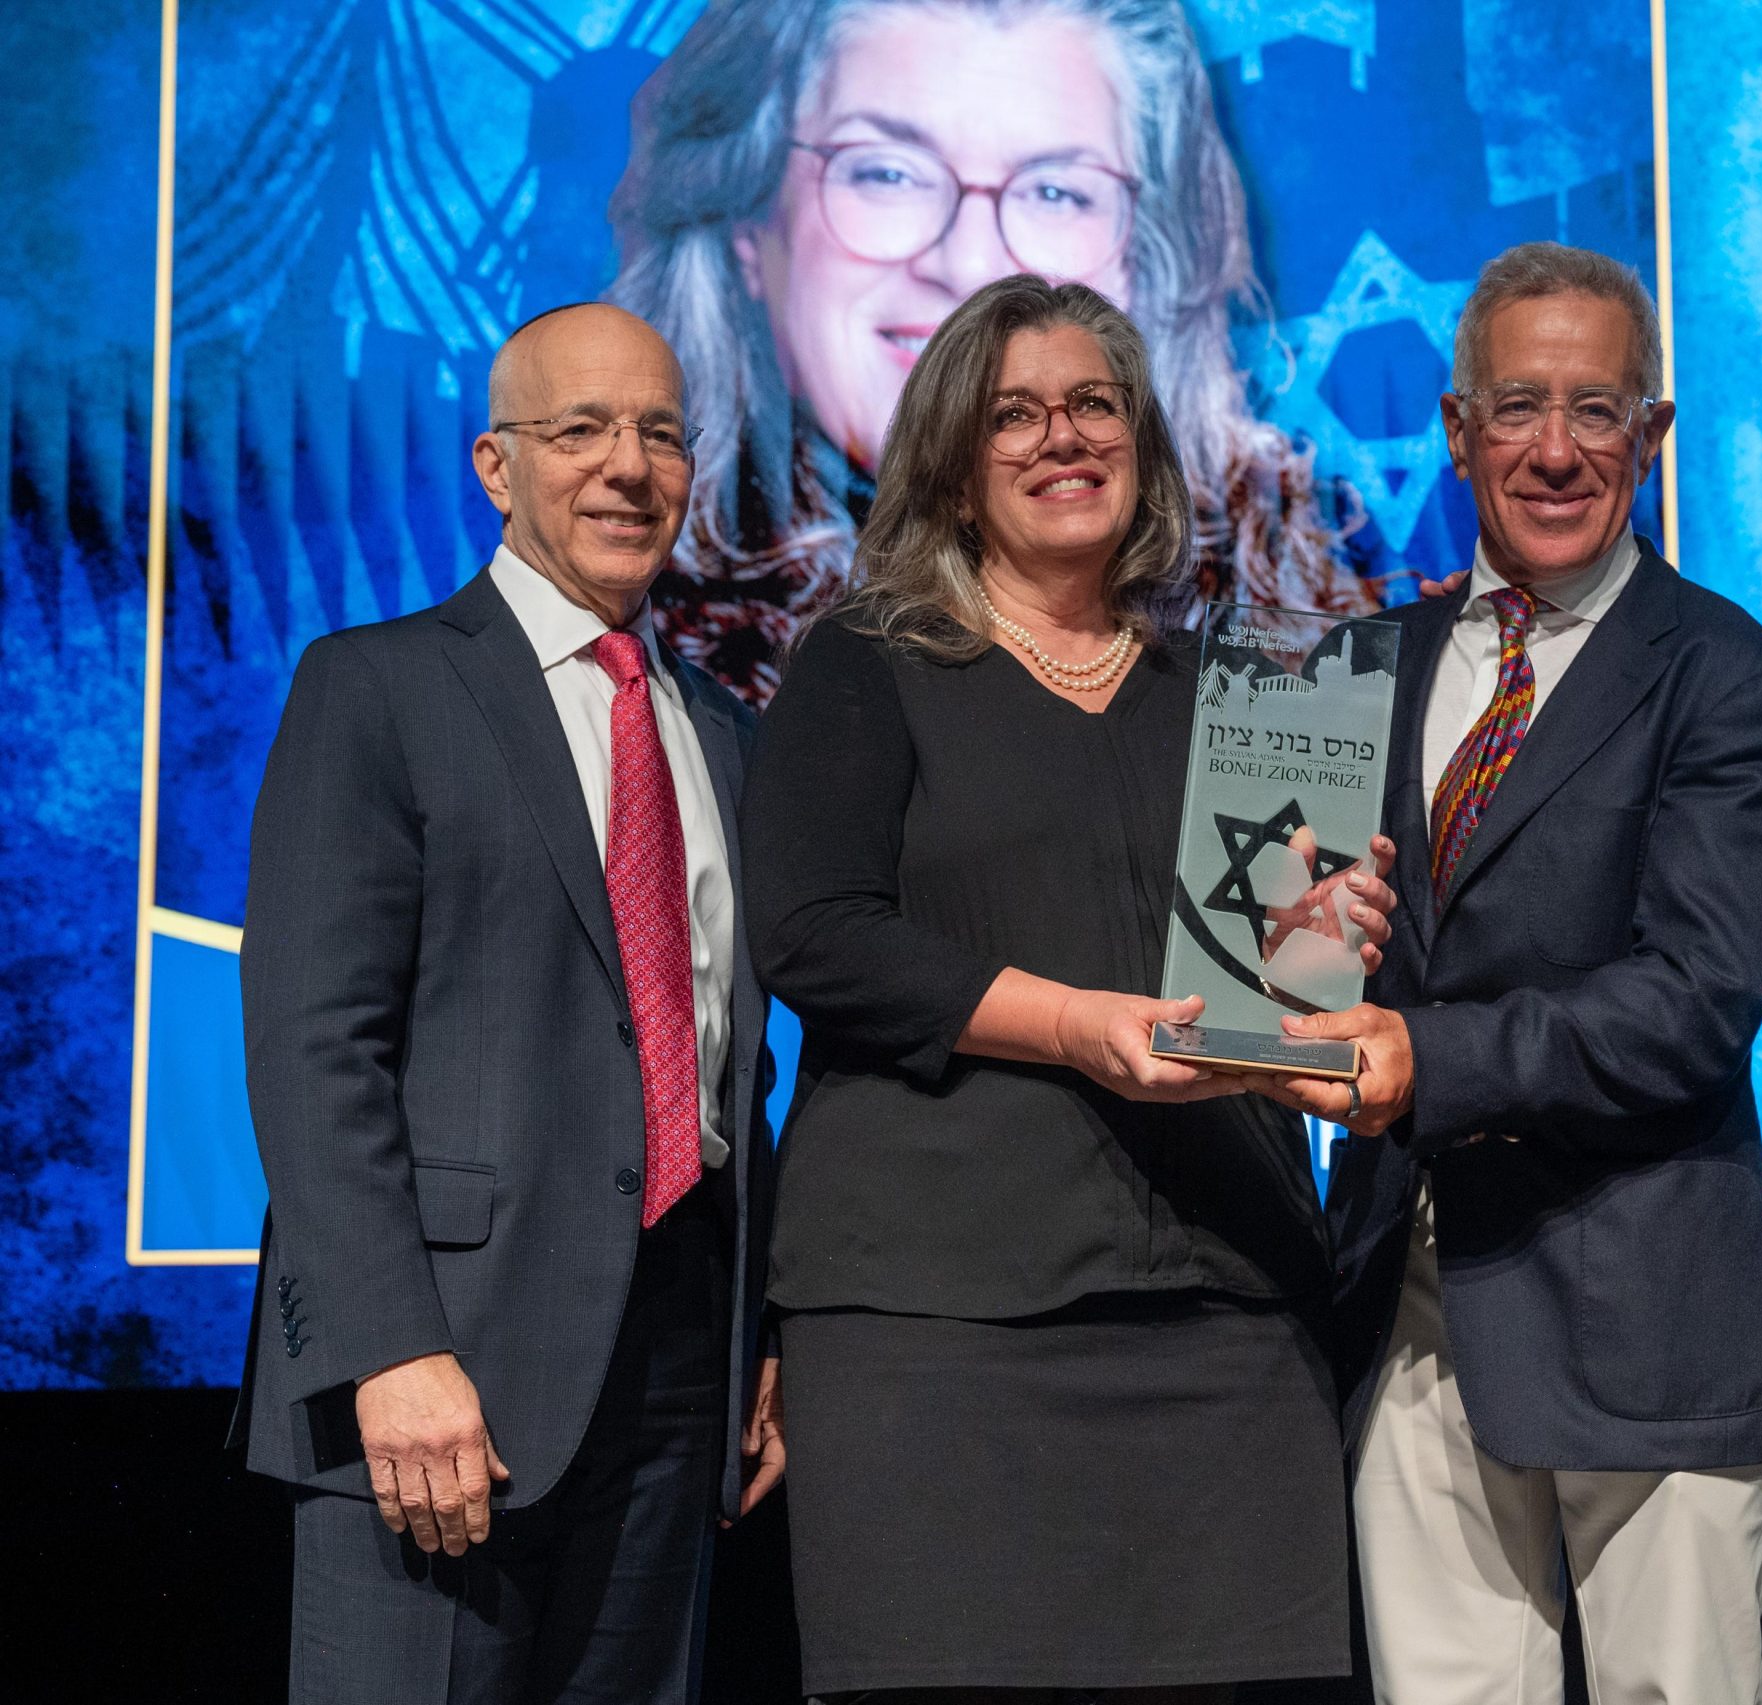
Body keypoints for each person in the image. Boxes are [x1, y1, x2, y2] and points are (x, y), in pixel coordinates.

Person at [740, 273, 1398, 1701]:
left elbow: (1275, 1011)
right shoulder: (867, 661)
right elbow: (812, 933)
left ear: (1141, 445)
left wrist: (1332, 943)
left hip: (1227, 1322)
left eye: (1094, 404)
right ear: (953, 468)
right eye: (1014, 416)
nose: (1063, 437)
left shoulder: (1244, 695)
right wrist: (1076, 1027)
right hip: (936, 1330)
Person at [1258, 243, 1762, 1705]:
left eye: (1598, 410)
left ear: (1654, 434)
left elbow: (1692, 1005)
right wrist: (1291, 958)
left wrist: (1423, 1058)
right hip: (1407, 1304)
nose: (1557, 451)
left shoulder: (1732, 679)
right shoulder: (1346, 668)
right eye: (1519, 406)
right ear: (1458, 430)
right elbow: (1295, 995)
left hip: (1649, 1313)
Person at [233, 302, 783, 1703]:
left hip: (677, 1375)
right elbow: (315, 1051)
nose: (628, 467)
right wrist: (390, 1348)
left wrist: (757, 1335)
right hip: (441, 1367)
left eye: (661, 433)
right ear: (496, 465)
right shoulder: (377, 688)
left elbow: (732, 1063)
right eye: (580, 429)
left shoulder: (725, 732)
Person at [610, 0, 1370, 705]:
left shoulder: (1298, 639)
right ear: (748, 215)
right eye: (888, 173)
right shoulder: (630, 656)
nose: (971, 266)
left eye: (1056, 192)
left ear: (1148, 256)